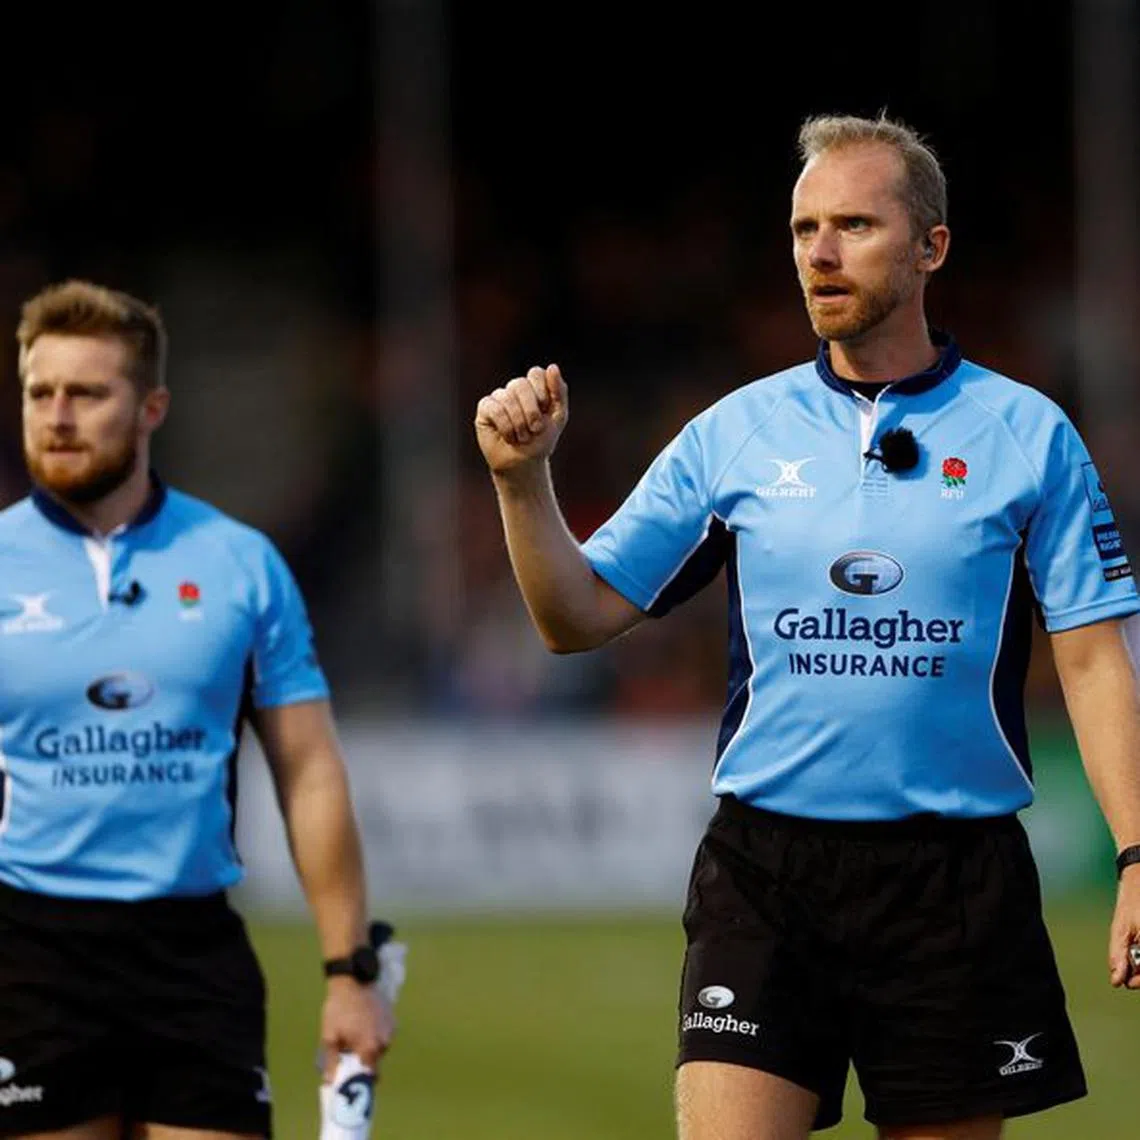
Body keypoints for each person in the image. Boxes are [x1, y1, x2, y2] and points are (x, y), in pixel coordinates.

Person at [473, 113, 1140, 1140]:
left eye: (854, 226)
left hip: (955, 885)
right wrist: (524, 485)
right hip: (766, 875)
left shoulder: (1028, 435)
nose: (819, 254)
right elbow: (576, 617)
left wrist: (1137, 856)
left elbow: (1095, 660)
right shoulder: (733, 432)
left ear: (931, 248)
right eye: (802, 229)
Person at [0, 280, 392, 1139]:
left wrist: (349, 971)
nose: (58, 415)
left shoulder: (239, 565)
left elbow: (310, 770)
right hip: (29, 955)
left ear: (152, 408)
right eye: (40, 393)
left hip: (193, 958)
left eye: (88, 393)